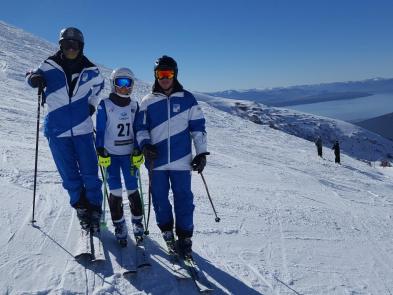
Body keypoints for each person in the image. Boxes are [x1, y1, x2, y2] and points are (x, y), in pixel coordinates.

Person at [26, 27, 104, 234]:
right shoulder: (49, 64)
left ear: (81, 46)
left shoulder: (91, 70)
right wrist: (34, 80)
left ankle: (95, 208)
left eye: (75, 44)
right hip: (57, 131)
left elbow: (99, 87)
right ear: (61, 45)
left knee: (90, 173)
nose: (71, 48)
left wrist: (92, 105)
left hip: (83, 129)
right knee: (69, 174)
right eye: (66, 44)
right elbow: (31, 75)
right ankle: (80, 207)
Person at [135, 55, 209, 259]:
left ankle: (184, 239)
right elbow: (140, 128)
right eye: (160, 74)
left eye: (168, 73)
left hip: (181, 160)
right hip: (156, 161)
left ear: (175, 74)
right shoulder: (147, 101)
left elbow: (198, 128)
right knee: (159, 199)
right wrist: (144, 145)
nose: (164, 78)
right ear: (155, 76)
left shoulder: (187, 99)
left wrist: (201, 153)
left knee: (184, 199)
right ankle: (167, 234)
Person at [95, 67, 145, 246]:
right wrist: (100, 149)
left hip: (129, 156)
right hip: (111, 156)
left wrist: (139, 149)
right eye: (120, 82)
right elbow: (100, 130)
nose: (125, 87)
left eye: (128, 83)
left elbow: (138, 129)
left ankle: (137, 223)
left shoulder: (134, 106)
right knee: (115, 191)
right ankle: (119, 225)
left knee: (133, 189)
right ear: (113, 84)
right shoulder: (105, 105)